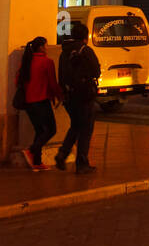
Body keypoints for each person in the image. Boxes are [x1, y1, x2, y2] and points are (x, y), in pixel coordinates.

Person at [55, 21, 101, 172]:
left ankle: (63, 153)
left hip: (69, 96)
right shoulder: (85, 50)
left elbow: (61, 75)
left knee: (76, 125)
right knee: (86, 129)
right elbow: (96, 72)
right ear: (85, 37)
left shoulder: (64, 52)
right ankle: (81, 163)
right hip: (85, 95)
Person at [16, 36, 62, 171]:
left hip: (28, 102)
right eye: (46, 45)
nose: (47, 48)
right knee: (51, 129)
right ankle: (32, 150)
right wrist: (60, 96)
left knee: (39, 131)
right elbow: (53, 83)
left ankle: (37, 162)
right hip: (41, 101)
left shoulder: (26, 62)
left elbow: (17, 81)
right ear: (41, 47)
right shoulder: (47, 62)